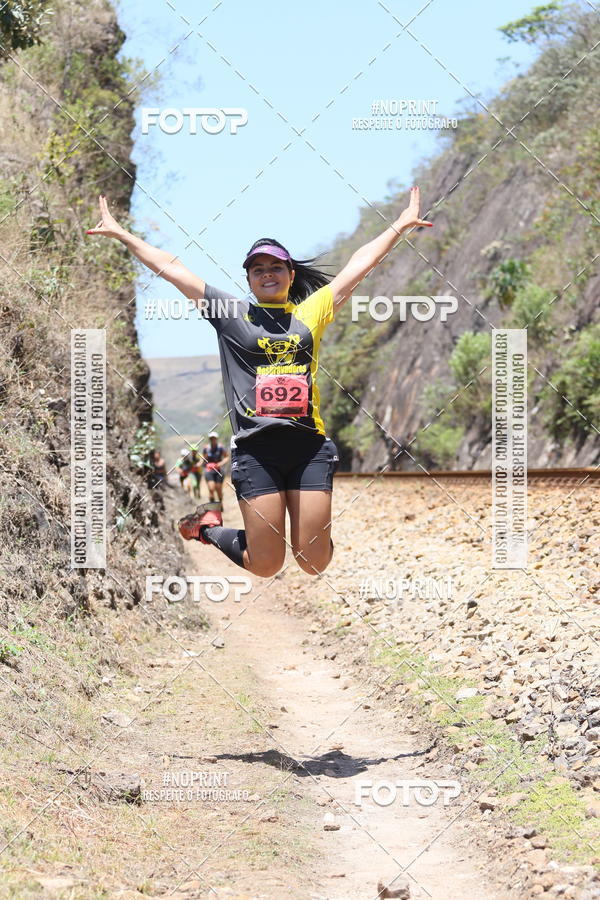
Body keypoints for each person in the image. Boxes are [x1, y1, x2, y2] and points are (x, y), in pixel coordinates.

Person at [86, 188, 432, 577]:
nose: (268, 273)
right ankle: (208, 527)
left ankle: (312, 533)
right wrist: (124, 235)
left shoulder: (312, 310)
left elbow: (359, 264)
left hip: (309, 447)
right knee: (266, 564)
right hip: (257, 452)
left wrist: (399, 226)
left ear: (290, 274)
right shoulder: (231, 315)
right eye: (258, 269)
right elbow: (173, 268)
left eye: (276, 267)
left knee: (314, 562)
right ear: (249, 278)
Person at [202, 431, 229, 506]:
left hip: (218, 470)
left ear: (216, 439)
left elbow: (226, 457)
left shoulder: (220, 447)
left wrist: (220, 463)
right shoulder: (206, 448)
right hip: (209, 470)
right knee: (211, 488)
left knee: (218, 489)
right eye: (211, 438)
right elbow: (203, 459)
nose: (212, 440)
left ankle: (220, 503)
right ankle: (212, 506)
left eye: (214, 438)